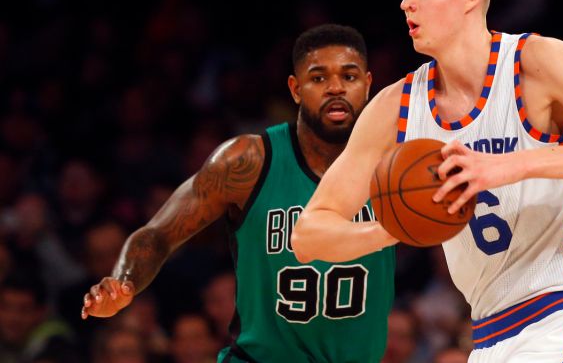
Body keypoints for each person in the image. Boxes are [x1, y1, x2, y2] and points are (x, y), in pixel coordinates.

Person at [292, 0, 563, 362]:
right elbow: (309, 235)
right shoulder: (394, 106)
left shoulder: (537, 63)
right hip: (488, 337)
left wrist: (512, 166)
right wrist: (397, 228)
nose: (407, 4)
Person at [80, 24, 395, 363]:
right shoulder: (248, 162)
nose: (335, 88)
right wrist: (123, 282)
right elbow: (159, 233)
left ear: (367, 84)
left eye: (349, 77)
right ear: (295, 89)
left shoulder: (398, 165)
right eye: (318, 78)